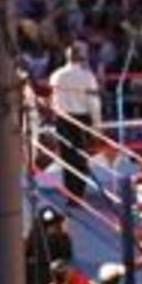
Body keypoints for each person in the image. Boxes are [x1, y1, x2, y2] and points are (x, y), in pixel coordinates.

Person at [48, 42, 102, 202]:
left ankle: (71, 194)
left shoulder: (56, 75)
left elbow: (54, 100)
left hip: (62, 119)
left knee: (66, 157)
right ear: (81, 57)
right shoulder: (87, 77)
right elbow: (94, 103)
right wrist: (97, 127)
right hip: (80, 119)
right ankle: (78, 194)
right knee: (80, 157)